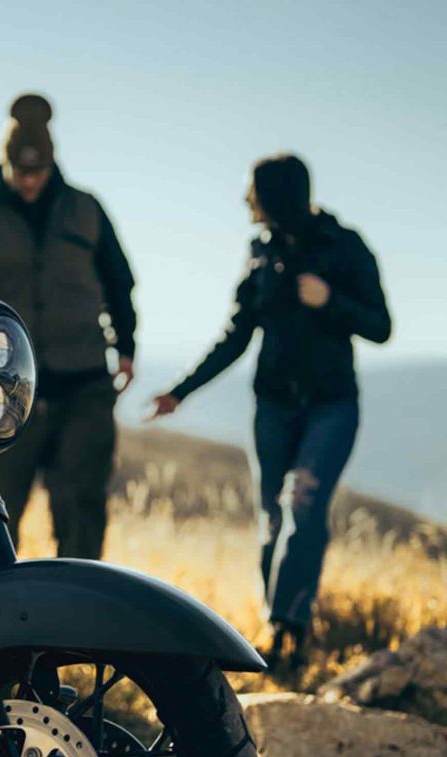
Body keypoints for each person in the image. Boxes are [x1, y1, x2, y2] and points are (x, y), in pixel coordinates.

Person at [149, 153, 391, 665]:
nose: (246, 202)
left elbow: (380, 325)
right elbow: (237, 334)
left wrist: (331, 301)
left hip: (331, 407)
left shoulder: (343, 247)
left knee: (303, 506)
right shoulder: (259, 252)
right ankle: (274, 626)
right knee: (271, 517)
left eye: (253, 193)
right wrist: (180, 391)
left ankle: (290, 629)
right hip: (273, 408)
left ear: (277, 196)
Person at [0, 93, 136, 559]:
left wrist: (127, 347)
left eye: (38, 170)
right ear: (5, 163)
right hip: (8, 393)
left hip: (85, 384)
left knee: (81, 512)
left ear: (52, 163)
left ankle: (77, 616)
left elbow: (119, 280)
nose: (30, 180)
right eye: (21, 171)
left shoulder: (87, 209)